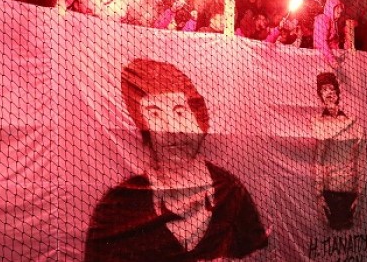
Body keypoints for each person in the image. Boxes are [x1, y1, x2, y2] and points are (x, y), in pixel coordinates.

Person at [84, 59, 267, 261]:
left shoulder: (231, 192)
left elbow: (251, 252)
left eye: (180, 112)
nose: (171, 128)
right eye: (155, 114)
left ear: (198, 119)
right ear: (141, 125)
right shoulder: (118, 206)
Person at [312, 72, 366, 230]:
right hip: (329, 191)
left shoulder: (353, 123)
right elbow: (318, 160)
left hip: (350, 190)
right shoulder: (317, 122)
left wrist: (359, 193)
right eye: (323, 89)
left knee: (347, 229)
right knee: (333, 229)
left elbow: (361, 160)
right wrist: (319, 194)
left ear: (337, 92)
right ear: (320, 95)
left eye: (331, 88)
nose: (328, 92)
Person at [313, 0, 344, 68]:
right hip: (322, 58)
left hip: (330, 58)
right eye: (338, 13)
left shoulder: (333, 23)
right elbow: (321, 42)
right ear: (331, 9)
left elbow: (333, 43)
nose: (339, 16)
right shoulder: (323, 19)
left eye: (340, 13)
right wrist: (332, 59)